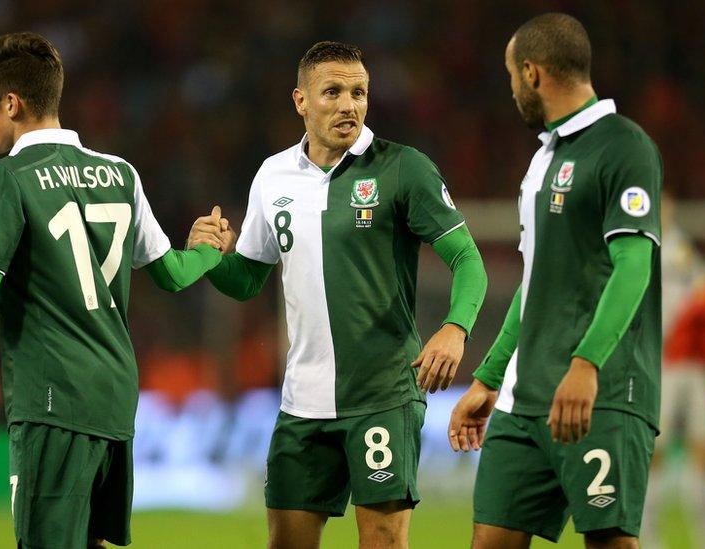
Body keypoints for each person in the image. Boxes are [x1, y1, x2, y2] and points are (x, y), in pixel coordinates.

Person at [0, 32, 226, 548]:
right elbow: (174, 274)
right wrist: (208, 251)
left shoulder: (9, 176)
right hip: (115, 399)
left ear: (12, 103)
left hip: (52, 399)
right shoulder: (121, 173)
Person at [191, 41, 488, 549]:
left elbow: (468, 260)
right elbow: (247, 280)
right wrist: (213, 258)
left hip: (382, 396)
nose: (348, 104)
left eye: (358, 92)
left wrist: (455, 329)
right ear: (301, 101)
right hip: (301, 403)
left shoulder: (402, 168)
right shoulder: (273, 176)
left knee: (382, 543)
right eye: (332, 92)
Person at [448, 13, 662, 549]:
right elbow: (537, 279)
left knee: (610, 542)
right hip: (525, 402)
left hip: (603, 392)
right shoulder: (544, 158)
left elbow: (634, 265)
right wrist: (490, 376)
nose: (513, 89)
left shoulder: (624, 146)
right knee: (489, 540)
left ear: (532, 72)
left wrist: (586, 365)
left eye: (511, 77)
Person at [642, 196, 705, 549]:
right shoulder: (638, 247)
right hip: (661, 365)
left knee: (704, 453)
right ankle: (648, 538)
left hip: (692, 365)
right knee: (654, 456)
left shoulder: (682, 250)